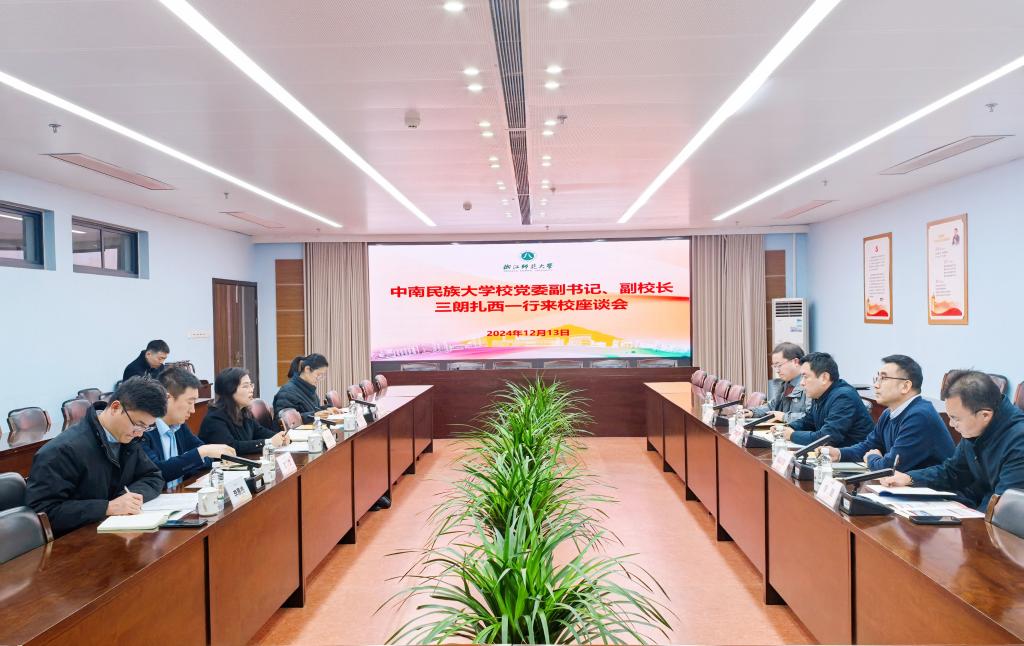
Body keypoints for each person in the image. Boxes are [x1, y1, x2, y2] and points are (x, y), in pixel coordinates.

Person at [25, 377, 167, 537]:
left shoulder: (127, 439)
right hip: (75, 542)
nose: (139, 433)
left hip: (115, 533)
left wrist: (127, 499)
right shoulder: (62, 450)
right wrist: (107, 507)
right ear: (115, 408)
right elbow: (43, 513)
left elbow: (153, 476)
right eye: (138, 424)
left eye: (146, 428)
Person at [881, 370, 1024, 511]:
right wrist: (910, 478)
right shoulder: (977, 428)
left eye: (956, 418)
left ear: (985, 415)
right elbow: (953, 472)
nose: (951, 424)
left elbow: (1004, 507)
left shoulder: (1019, 441)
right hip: (975, 507)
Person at [821, 355, 954, 471]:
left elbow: (890, 466)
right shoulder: (889, 413)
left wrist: (872, 457)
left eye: (883, 378)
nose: (876, 385)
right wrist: (839, 453)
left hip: (934, 491)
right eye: (877, 378)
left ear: (905, 386)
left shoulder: (919, 416)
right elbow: (868, 445)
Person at [141, 367, 235, 487]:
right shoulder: (143, 429)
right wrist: (200, 453)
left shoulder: (179, 426)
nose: (193, 410)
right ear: (167, 399)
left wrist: (195, 457)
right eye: (190, 402)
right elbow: (158, 472)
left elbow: (207, 458)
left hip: (179, 493)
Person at [777, 352, 873, 447]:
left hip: (857, 455)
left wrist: (792, 435)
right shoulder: (819, 394)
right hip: (832, 453)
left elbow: (827, 438)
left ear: (824, 377)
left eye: (805, 377)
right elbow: (808, 422)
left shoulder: (843, 397)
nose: (802, 383)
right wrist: (787, 428)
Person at [199, 367, 288, 455]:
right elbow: (232, 447)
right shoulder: (214, 418)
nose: (251, 390)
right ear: (229, 390)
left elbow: (260, 432)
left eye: (251, 385)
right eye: (245, 386)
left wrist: (281, 437)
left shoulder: (244, 411)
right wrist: (269, 442)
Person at [744, 342, 809, 423]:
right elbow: (772, 406)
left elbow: (811, 417)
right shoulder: (786, 384)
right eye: (775, 366)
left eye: (779, 365)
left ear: (795, 362)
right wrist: (752, 412)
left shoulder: (809, 383)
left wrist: (784, 417)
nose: (777, 371)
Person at [272, 353, 342, 422]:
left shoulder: (308, 388)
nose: (319, 379)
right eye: (318, 374)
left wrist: (326, 410)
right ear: (307, 369)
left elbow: (311, 410)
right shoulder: (287, 392)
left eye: (322, 375)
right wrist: (314, 415)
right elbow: (286, 420)